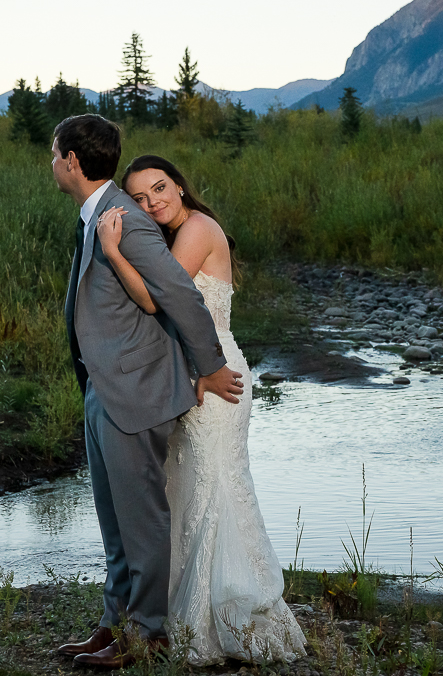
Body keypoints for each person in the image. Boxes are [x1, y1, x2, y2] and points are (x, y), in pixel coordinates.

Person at [95, 154, 307, 665]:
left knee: (216, 485)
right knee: (184, 489)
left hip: (217, 378)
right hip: (187, 377)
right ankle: (181, 617)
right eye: (141, 198)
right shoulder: (169, 238)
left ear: (181, 187)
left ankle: (234, 617)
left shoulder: (197, 230)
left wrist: (112, 250)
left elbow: (154, 300)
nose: (153, 203)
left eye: (161, 189)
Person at [49, 116, 244, 670]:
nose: (52, 163)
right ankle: (112, 625)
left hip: (135, 391)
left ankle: (148, 634)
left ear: (70, 161)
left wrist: (208, 367)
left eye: (53, 153)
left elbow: (181, 293)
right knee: (115, 522)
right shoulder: (98, 215)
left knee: (143, 520)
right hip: (102, 388)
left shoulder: (124, 222)